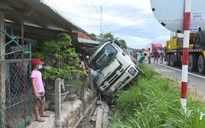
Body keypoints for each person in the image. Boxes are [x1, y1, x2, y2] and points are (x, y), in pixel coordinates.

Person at [30, 58, 49, 122]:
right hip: (37, 91)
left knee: (43, 102)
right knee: (37, 104)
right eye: (39, 64)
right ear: (36, 65)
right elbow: (33, 83)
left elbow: (41, 81)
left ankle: (42, 113)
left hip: (41, 90)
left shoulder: (39, 72)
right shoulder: (33, 73)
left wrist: (43, 89)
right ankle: (37, 117)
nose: (41, 65)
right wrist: (35, 93)